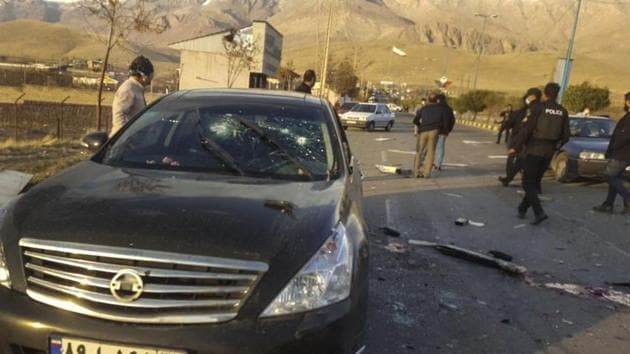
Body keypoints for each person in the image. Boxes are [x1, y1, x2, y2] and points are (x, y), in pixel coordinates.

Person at [509, 83, 570, 225]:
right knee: (534, 182)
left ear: (545, 94)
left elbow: (527, 129)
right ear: (557, 94)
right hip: (549, 151)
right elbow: (566, 135)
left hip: (534, 148)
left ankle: (539, 212)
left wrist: (515, 147)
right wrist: (556, 146)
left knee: (527, 183)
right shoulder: (563, 111)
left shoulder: (538, 108)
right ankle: (522, 208)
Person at [593, 92, 630, 214]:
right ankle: (609, 204)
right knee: (615, 177)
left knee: (608, 176)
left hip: (621, 154)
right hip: (623, 153)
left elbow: (622, 137)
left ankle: (627, 197)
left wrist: (613, 149)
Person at [499, 88, 542, 187]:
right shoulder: (541, 110)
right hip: (531, 141)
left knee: (513, 158)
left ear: (531, 97)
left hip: (517, 139)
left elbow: (509, 124)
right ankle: (512, 178)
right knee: (522, 160)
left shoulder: (521, 112)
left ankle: (509, 177)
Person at [110, 55, 154, 136]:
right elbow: (119, 116)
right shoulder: (128, 89)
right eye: (150, 76)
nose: (151, 80)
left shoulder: (136, 88)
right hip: (124, 142)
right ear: (143, 75)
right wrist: (123, 138)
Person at [413, 93, 446, 178]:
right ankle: (427, 173)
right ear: (436, 100)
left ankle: (416, 172)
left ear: (428, 100)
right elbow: (444, 122)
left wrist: (420, 126)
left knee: (419, 152)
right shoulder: (441, 109)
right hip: (434, 131)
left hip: (423, 131)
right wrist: (442, 131)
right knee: (431, 153)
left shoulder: (424, 108)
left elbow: (415, 120)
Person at [434, 93, 455, 170]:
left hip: (433, 130)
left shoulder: (434, 107)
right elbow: (452, 121)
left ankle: (424, 162)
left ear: (438, 99)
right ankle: (438, 164)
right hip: (443, 132)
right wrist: (448, 131)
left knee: (429, 147)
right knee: (440, 148)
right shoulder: (449, 109)